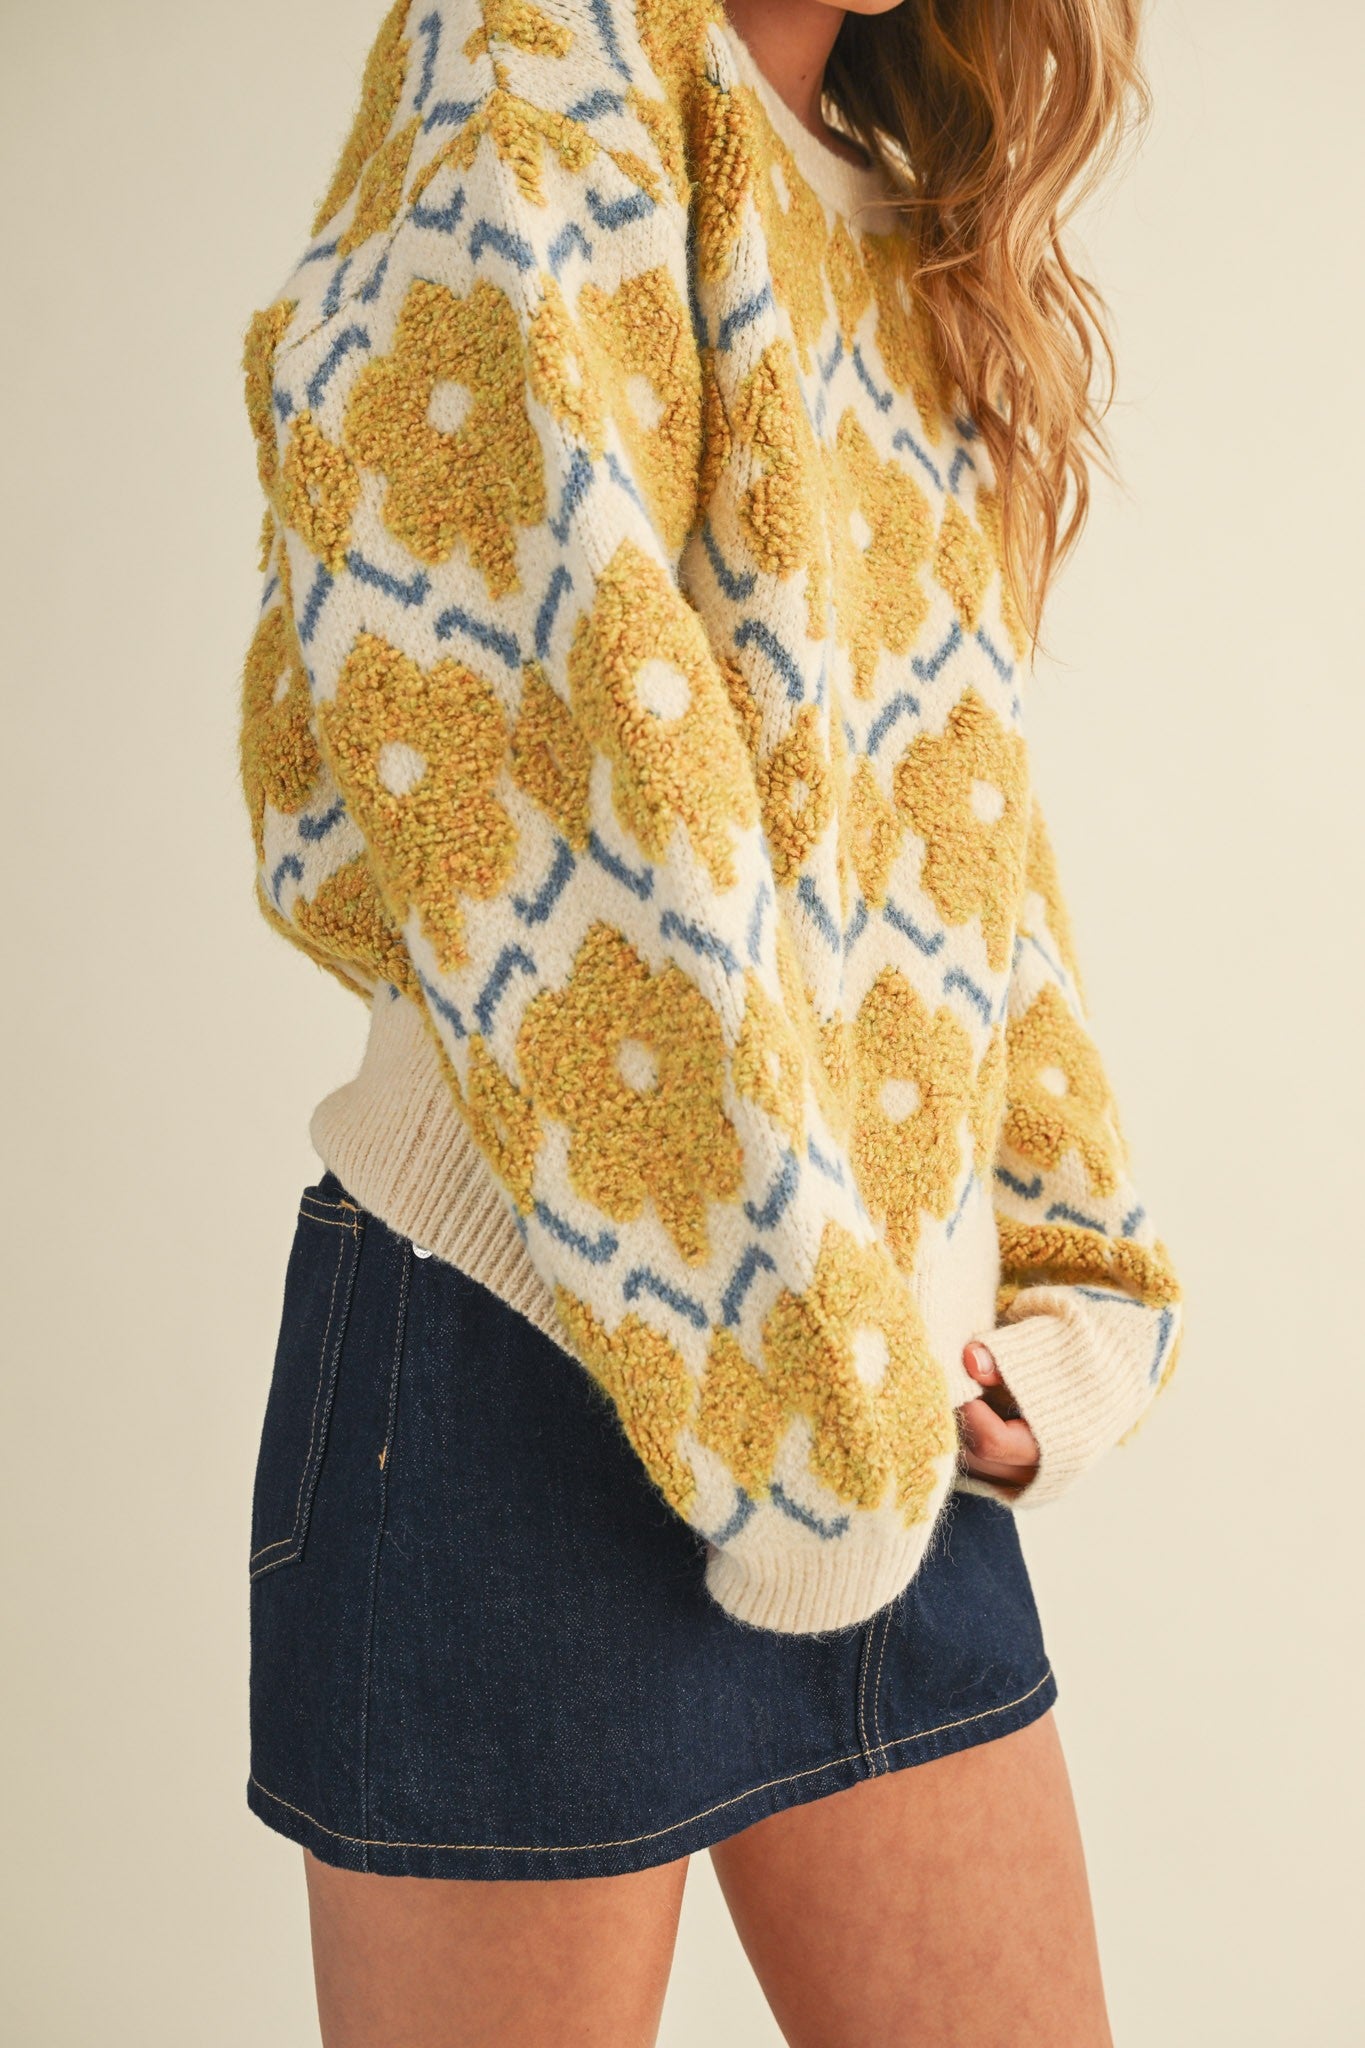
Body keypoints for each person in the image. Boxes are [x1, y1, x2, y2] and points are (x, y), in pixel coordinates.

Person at [236, 0, 1182, 2039]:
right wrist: (809, 1390)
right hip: (524, 1359)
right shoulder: (534, 65)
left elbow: (952, 831)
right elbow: (528, 738)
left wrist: (1059, 1271)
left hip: (870, 1402)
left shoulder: (893, 212)